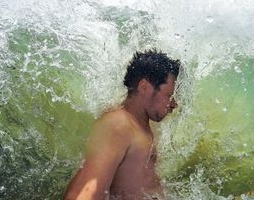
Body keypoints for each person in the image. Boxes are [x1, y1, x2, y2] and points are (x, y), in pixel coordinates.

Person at [64, 49, 180, 200]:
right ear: (144, 87)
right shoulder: (118, 125)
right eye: (169, 95)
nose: (174, 104)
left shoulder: (140, 124)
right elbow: (83, 193)